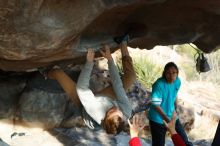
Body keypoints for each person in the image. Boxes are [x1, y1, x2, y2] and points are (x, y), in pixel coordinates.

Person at [46, 41, 136, 134]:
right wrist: (110, 60)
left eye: (110, 112)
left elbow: (82, 88)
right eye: (116, 110)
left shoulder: (97, 114)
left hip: (84, 107)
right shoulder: (126, 111)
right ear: (123, 116)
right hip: (106, 98)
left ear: (105, 118)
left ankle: (46, 73)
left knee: (57, 72)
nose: (114, 108)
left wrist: (89, 62)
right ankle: (123, 43)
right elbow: (118, 85)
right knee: (131, 77)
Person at [148, 62, 193, 146]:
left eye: (174, 73)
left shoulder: (177, 81)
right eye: (168, 73)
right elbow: (156, 105)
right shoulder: (159, 85)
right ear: (164, 73)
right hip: (157, 119)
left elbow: (175, 94)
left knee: (185, 142)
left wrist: (175, 108)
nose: (171, 75)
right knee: (159, 144)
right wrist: (167, 120)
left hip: (172, 117)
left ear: (177, 73)